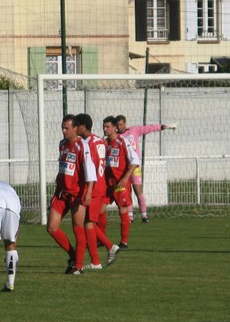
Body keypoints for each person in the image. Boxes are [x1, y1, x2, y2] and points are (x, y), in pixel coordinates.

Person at [46, 114, 94, 275]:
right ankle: (73, 256)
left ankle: (78, 266)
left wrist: (89, 193)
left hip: (77, 193)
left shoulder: (82, 146)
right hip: (61, 193)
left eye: (66, 128)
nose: (63, 131)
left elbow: (90, 171)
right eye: (62, 127)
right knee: (52, 228)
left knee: (77, 228)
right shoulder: (62, 144)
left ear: (75, 128)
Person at [74, 113, 121, 270]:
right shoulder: (99, 141)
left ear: (82, 126)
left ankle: (104, 251)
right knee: (89, 223)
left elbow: (90, 166)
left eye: (76, 126)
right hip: (100, 185)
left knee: (89, 224)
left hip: (93, 188)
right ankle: (98, 258)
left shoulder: (87, 143)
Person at [115, 115, 177, 223]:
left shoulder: (134, 130)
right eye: (118, 125)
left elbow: (150, 128)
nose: (119, 127)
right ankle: (130, 217)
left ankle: (144, 215)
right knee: (126, 191)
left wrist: (165, 126)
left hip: (135, 166)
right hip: (123, 168)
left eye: (121, 124)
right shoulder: (115, 136)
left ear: (125, 123)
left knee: (138, 190)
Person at [101, 116, 140, 249]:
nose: (105, 129)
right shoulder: (104, 143)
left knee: (122, 209)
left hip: (120, 183)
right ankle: (102, 239)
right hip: (107, 183)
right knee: (100, 209)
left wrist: (125, 178)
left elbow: (135, 161)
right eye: (104, 126)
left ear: (114, 128)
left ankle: (124, 241)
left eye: (107, 127)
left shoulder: (123, 141)